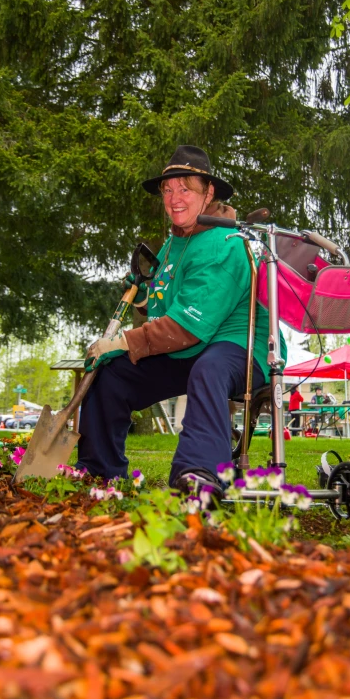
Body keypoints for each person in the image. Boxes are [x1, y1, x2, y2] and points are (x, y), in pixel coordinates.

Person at [76, 145, 287, 499]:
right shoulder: (175, 242)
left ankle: (200, 472)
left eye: (185, 189)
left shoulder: (224, 243)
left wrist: (122, 340)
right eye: (168, 190)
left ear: (208, 194)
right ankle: (101, 474)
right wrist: (145, 298)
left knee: (210, 369)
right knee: (111, 374)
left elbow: (186, 326)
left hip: (244, 347)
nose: (174, 198)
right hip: (191, 350)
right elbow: (168, 307)